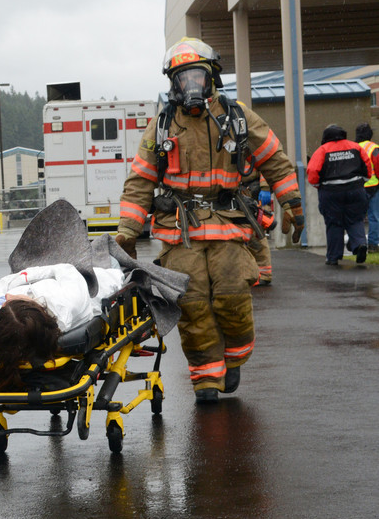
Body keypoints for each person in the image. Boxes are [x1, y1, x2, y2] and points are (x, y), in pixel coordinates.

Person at [115, 37, 305, 404]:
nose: (190, 86)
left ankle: (234, 358)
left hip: (229, 224)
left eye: (196, 77)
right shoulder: (161, 127)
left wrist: (293, 204)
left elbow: (274, 159)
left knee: (232, 294)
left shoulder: (237, 116)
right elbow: (139, 181)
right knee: (192, 303)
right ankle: (205, 379)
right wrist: (127, 230)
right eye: (182, 78)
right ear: (173, 82)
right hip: (179, 231)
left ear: (211, 77)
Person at [307, 124, 373, 265]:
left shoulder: (322, 150)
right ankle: (360, 244)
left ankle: (333, 257)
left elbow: (312, 172)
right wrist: (361, 182)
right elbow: (367, 167)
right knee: (355, 220)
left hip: (331, 192)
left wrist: (320, 186)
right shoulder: (355, 147)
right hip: (355, 189)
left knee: (334, 223)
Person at [355, 123, 379, 253]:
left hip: (358, 186)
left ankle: (359, 243)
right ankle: (373, 245)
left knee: (357, 217)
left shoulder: (354, 147)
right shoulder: (374, 147)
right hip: (374, 186)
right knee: (374, 217)